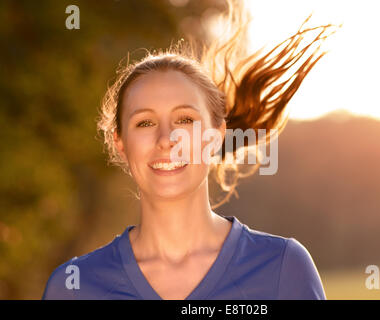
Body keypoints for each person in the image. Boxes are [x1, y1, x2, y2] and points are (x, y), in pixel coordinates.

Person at [42, 0, 337, 300]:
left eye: (184, 119)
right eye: (144, 122)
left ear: (216, 136)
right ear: (119, 142)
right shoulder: (73, 287)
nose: (166, 138)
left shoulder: (283, 269)